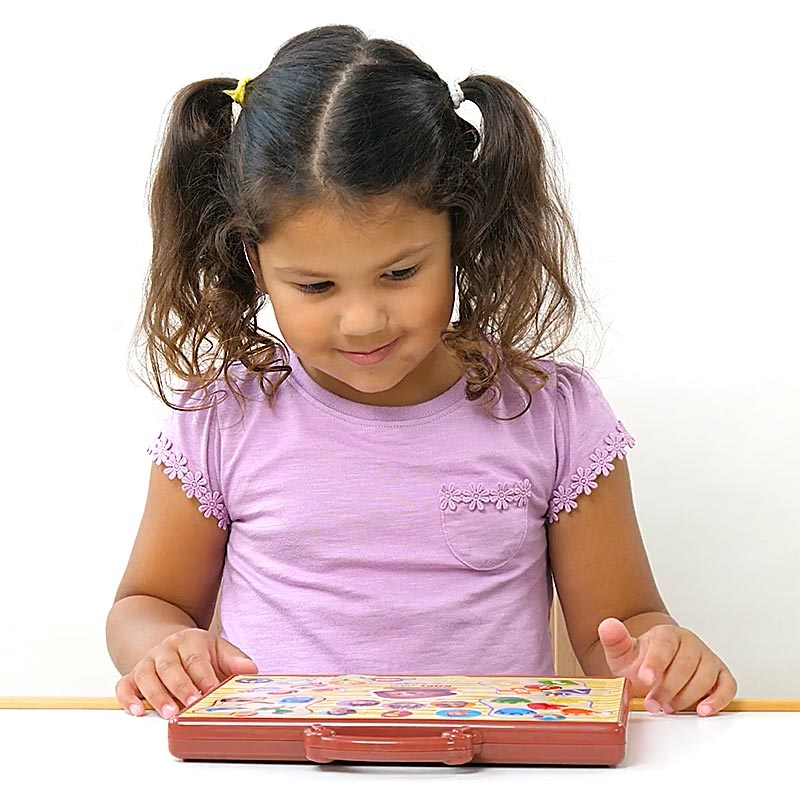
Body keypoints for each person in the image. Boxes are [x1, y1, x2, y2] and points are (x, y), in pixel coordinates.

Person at [106, 23, 736, 722]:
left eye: (400, 272)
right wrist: (162, 646)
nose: (363, 321)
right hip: (276, 772)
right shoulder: (225, 418)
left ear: (459, 234)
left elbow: (621, 625)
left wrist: (662, 657)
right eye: (315, 287)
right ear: (255, 264)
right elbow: (148, 603)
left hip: (491, 773)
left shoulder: (551, 415)